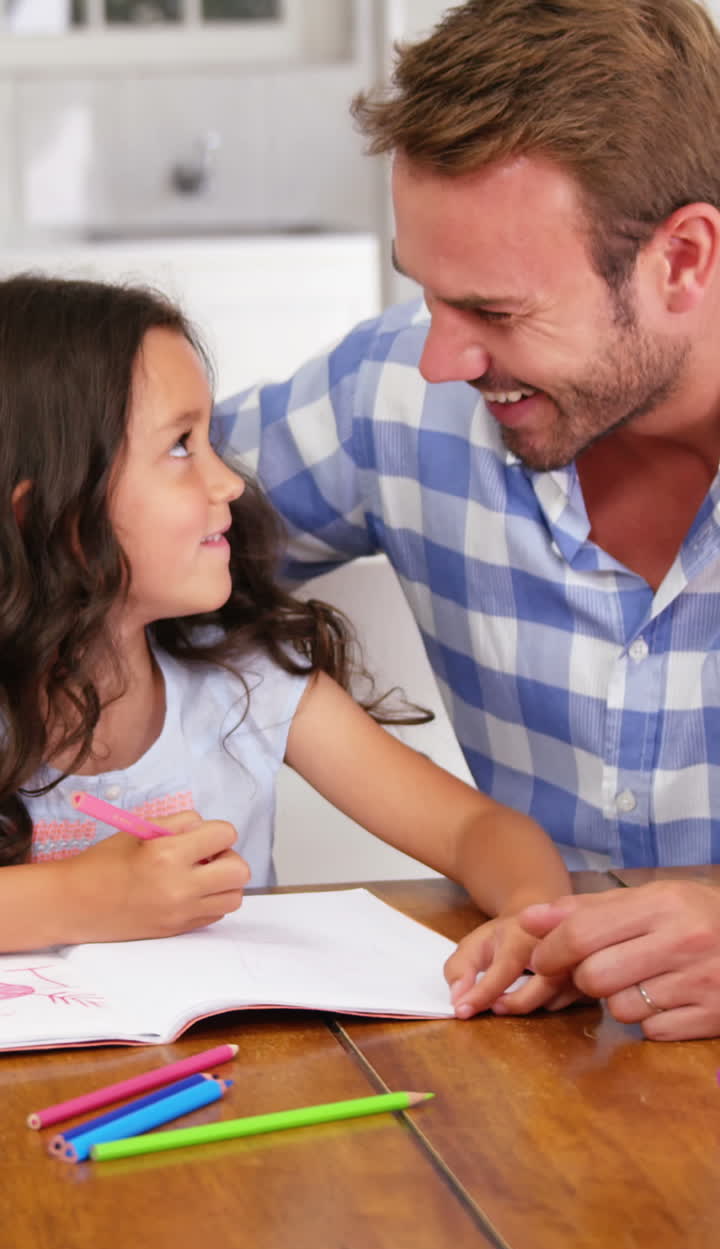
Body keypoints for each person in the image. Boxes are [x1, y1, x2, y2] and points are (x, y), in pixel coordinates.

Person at [212, 0, 720, 1040]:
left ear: (684, 259)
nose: (443, 359)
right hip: (533, 1066)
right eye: (429, 295)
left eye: (494, 312)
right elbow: (98, 511)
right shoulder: (393, 393)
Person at [0, 272, 575, 1018]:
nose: (227, 482)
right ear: (51, 514)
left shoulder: (245, 682)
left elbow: (478, 830)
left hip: (235, 1079)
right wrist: (86, 898)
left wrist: (534, 920)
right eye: (181, 446)